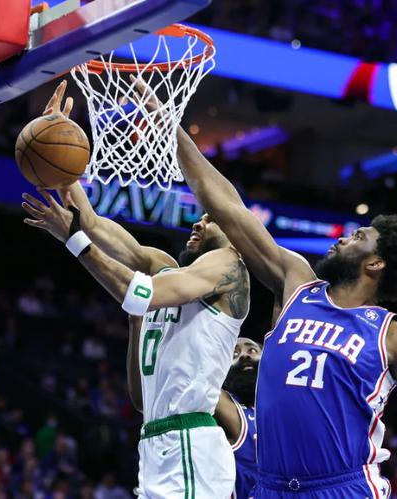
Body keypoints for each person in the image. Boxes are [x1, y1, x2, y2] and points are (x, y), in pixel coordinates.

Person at [170, 99, 397, 497]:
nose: (344, 238)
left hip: (343, 488)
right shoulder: (296, 284)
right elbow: (228, 206)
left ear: (376, 264)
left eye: (358, 237)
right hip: (271, 488)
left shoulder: (394, 338)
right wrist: (171, 127)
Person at [22, 81, 250, 499]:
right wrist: (62, 169)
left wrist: (74, 240)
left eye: (209, 219)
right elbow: (92, 224)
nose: (198, 222)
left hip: (190, 444)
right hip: (156, 440)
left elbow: (136, 294)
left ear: (233, 231)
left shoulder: (227, 267)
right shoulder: (165, 266)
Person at [214, 337, 261, 499]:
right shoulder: (229, 407)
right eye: (234, 354)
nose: (244, 355)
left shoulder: (283, 407)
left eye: (252, 350)